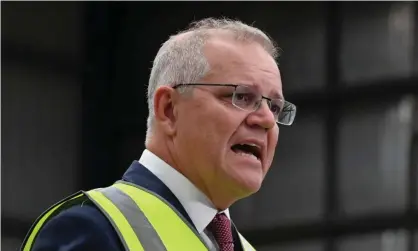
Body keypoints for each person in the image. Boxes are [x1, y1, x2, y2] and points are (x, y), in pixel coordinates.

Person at [21, 17, 296, 251]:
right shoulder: (93, 229)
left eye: (274, 107)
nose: (266, 120)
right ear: (169, 110)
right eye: (242, 96)